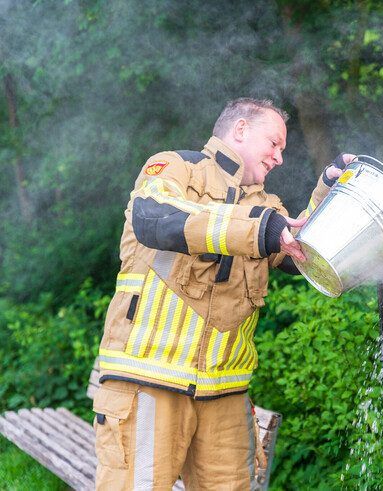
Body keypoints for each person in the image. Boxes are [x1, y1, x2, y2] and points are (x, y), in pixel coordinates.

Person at [94, 97, 354, 490]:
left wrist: (328, 192)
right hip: (148, 380)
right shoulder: (176, 167)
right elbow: (153, 218)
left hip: (226, 394)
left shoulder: (267, 206)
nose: (279, 158)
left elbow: (305, 254)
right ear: (241, 130)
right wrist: (259, 230)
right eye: (274, 143)